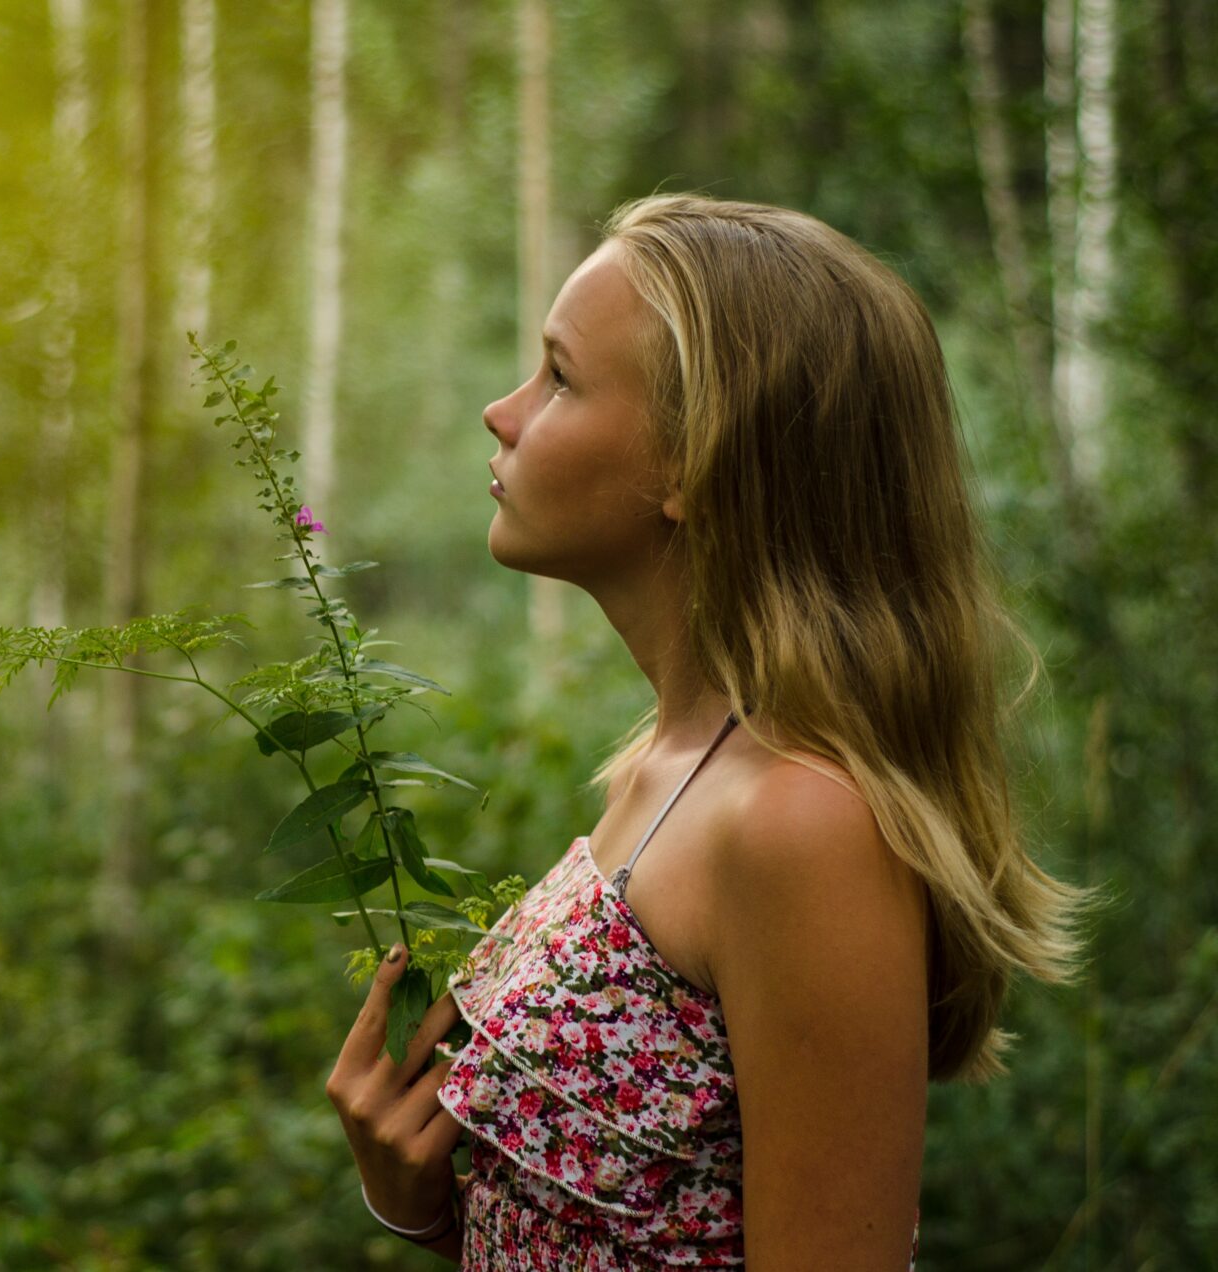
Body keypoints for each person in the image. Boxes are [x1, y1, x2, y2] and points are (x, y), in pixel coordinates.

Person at [325, 194, 1095, 1268]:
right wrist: (416, 1202)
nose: (502, 411)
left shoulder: (801, 823)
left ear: (693, 464)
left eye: (559, 377)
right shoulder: (663, 766)